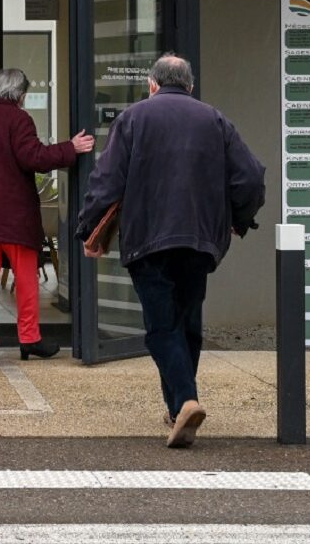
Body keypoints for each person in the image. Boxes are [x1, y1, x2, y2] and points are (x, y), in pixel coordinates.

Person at [78, 53, 265, 448]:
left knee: (162, 327)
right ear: (190, 86)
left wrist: (86, 227)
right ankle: (176, 407)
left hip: (148, 239)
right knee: (188, 323)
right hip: (200, 240)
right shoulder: (215, 120)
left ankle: (185, 400)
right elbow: (250, 177)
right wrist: (239, 218)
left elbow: (106, 181)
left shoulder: (133, 119)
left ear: (152, 84)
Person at [0, 68, 94, 369]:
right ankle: (29, 339)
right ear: (20, 94)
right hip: (12, 217)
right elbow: (34, 158)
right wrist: (71, 148)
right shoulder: (19, 119)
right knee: (27, 279)